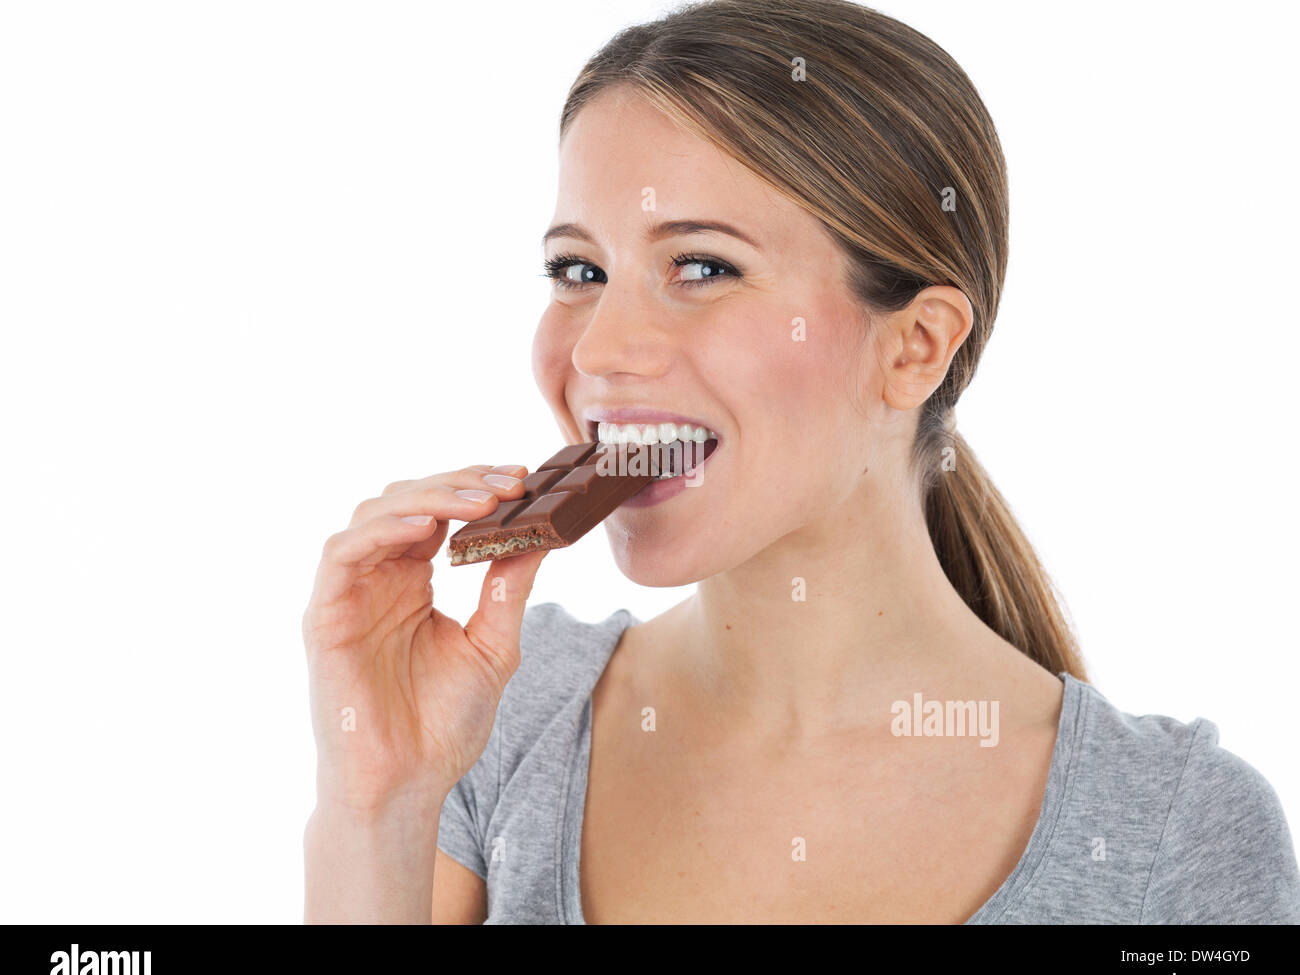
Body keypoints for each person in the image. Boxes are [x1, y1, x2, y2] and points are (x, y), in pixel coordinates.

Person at [301, 0, 1300, 924]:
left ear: (913, 346)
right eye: (579, 271)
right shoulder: (503, 713)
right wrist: (377, 801)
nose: (599, 348)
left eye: (703, 266)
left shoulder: (1178, 836)